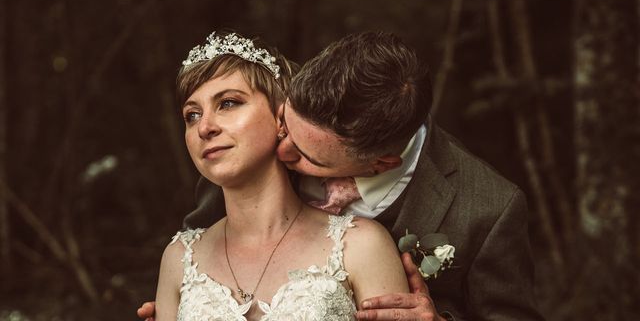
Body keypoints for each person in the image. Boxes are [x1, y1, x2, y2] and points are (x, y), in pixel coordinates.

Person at [141, 32, 544, 321]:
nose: (283, 148)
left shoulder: (488, 207)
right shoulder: (239, 155)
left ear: (379, 163)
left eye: (305, 155)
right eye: (286, 125)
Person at [152, 31, 409, 321]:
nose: (204, 128)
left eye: (228, 103)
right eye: (192, 115)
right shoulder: (179, 260)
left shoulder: (360, 246)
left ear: (281, 117)